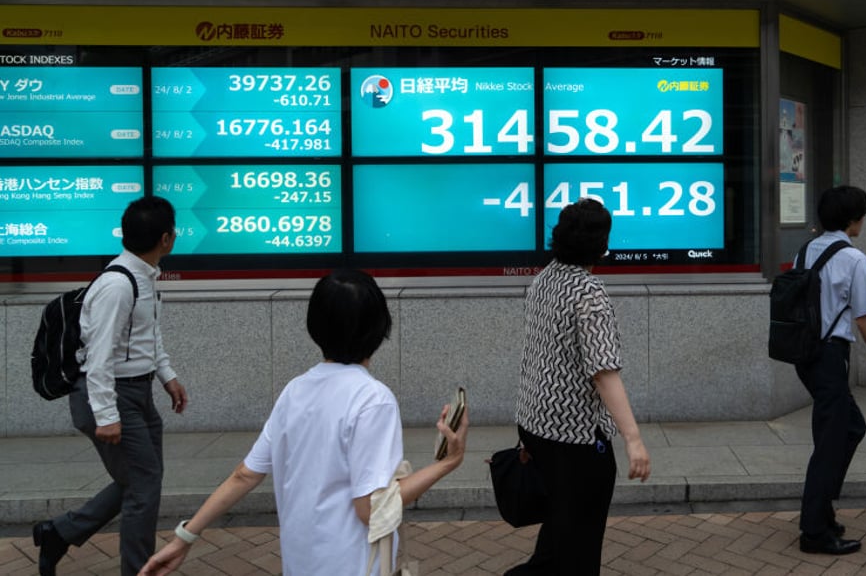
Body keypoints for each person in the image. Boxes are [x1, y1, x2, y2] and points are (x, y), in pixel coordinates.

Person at [137, 269, 468, 576]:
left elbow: (244, 475)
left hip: (300, 563)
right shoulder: (373, 398)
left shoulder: (295, 390)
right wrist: (448, 462)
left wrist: (185, 537)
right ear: (379, 326)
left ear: (315, 326)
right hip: (353, 565)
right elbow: (370, 508)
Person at [32, 196, 188, 576]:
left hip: (138, 391)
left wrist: (166, 375)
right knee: (143, 487)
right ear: (167, 237)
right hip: (110, 396)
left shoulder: (144, 276)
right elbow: (99, 355)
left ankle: (59, 532)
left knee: (139, 481)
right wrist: (106, 415)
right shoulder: (118, 285)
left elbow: (146, 336)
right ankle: (138, 570)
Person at [507, 198, 650, 576]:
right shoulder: (589, 291)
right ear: (602, 245)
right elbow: (603, 371)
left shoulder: (544, 279)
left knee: (561, 522)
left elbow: (537, 353)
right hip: (575, 437)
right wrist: (632, 437)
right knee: (581, 536)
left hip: (535, 422)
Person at [792, 186, 866, 556]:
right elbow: (864, 318)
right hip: (829, 356)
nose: (865, 221)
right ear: (853, 219)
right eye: (864, 215)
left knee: (851, 427)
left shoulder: (804, 250)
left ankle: (822, 511)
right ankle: (814, 532)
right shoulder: (854, 259)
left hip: (805, 355)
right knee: (831, 443)